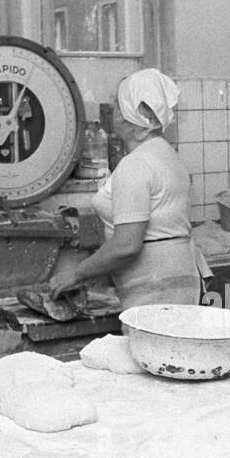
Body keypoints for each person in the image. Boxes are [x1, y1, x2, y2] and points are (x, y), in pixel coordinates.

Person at [51, 69, 210, 308]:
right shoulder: (165, 154)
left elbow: (127, 245)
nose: (112, 109)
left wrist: (77, 274)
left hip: (155, 289)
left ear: (130, 118)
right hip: (175, 280)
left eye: (117, 103)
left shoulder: (135, 165)